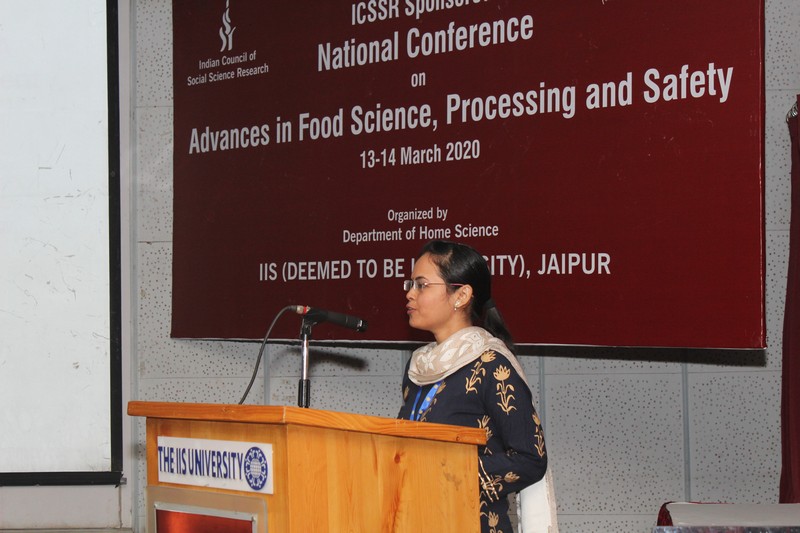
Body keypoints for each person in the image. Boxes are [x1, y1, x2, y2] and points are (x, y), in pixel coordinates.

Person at [398, 240, 548, 533]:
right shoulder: (419, 367)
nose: (409, 293)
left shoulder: (491, 364)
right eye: (410, 284)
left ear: (461, 295)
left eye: (421, 285)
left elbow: (530, 458)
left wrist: (449, 473)